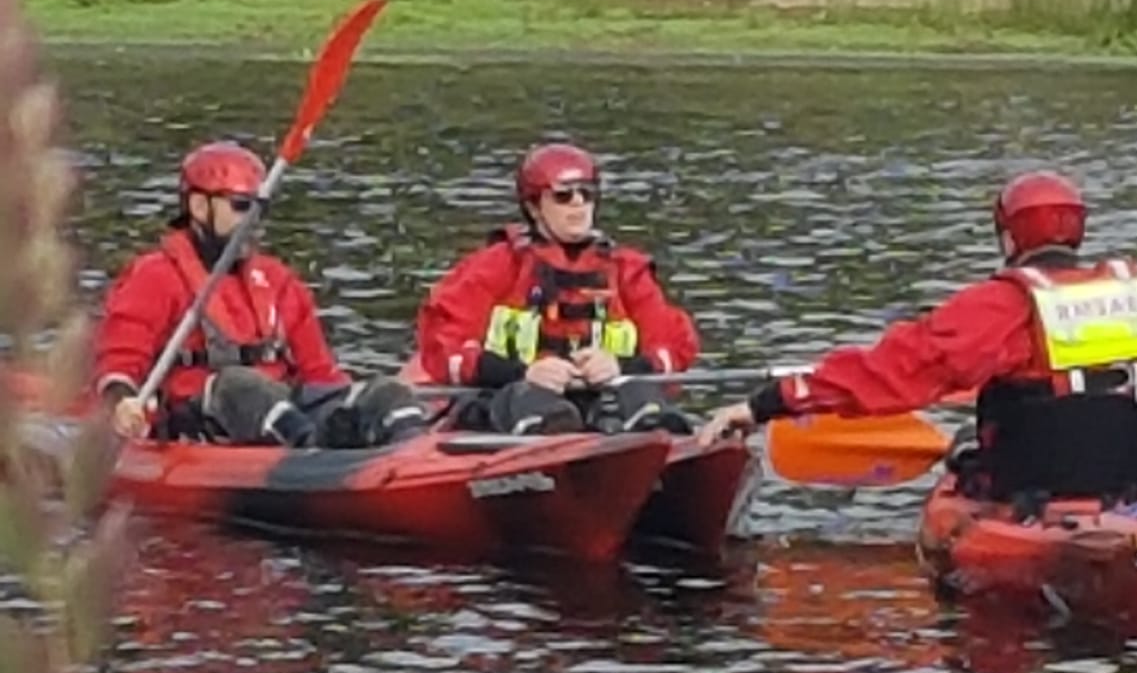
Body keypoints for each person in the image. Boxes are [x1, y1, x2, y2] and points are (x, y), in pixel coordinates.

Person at [697, 170, 1137, 508]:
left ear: (1008, 236)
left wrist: (765, 403)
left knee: (971, 448)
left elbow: (893, 372)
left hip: (1029, 496)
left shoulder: (997, 307)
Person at [95, 141, 427, 447]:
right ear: (198, 206)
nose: (253, 221)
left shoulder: (278, 281)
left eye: (258, 209)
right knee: (240, 386)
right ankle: (308, 452)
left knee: (387, 392)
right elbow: (119, 361)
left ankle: (407, 447)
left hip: (280, 409)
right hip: (201, 419)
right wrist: (123, 401)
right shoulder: (154, 277)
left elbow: (321, 375)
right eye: (241, 206)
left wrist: (348, 406)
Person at [414, 142, 700, 436]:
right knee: (533, 404)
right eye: (563, 196)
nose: (578, 203)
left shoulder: (627, 270)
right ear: (534, 207)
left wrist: (620, 366)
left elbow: (673, 344)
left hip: (600, 397)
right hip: (513, 396)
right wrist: (525, 372)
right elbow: (444, 343)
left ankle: (649, 439)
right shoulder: (498, 265)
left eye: (587, 193)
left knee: (640, 397)